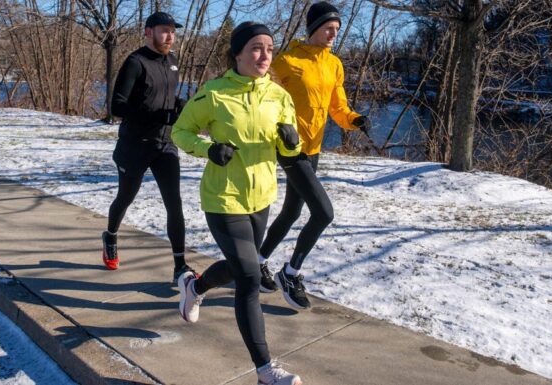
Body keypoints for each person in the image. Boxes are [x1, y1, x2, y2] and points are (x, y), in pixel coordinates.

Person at [172, 22, 303, 385]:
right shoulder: (213, 94)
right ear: (238, 53)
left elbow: (290, 147)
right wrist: (208, 149)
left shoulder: (279, 96)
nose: (264, 56)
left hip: (261, 198)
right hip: (222, 198)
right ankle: (265, 370)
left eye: (270, 49)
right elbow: (180, 132)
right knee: (248, 276)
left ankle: (194, 288)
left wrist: (292, 142)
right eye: (257, 48)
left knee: (238, 265)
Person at [257, 1, 371, 309]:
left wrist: (354, 119)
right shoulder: (287, 61)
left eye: (337, 29)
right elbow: (261, 96)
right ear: (314, 28)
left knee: (292, 212)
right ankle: (290, 273)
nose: (334, 33)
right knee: (324, 213)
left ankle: (257, 261)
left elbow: (338, 107)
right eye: (328, 28)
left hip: (314, 149)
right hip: (291, 149)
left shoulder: (334, 65)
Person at [101, 11, 193, 282]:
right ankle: (111, 235)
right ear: (148, 32)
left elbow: (164, 96)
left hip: (165, 144)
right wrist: (157, 115)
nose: (170, 36)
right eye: (164, 30)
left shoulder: (173, 62)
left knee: (174, 205)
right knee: (126, 197)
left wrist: (178, 106)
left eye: (173, 31)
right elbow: (117, 106)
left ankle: (180, 266)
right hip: (135, 145)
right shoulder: (135, 62)